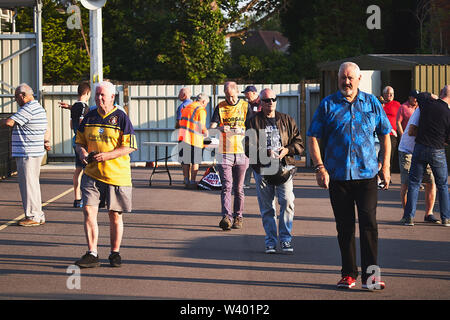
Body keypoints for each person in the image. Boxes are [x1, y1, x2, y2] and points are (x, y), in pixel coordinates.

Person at [307, 62, 391, 290]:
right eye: (343, 78)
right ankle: (348, 274)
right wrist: (320, 167)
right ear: (338, 79)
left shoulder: (372, 103)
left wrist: (386, 166)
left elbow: (385, 134)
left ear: (359, 79)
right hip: (339, 176)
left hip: (367, 175)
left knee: (369, 225)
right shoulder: (327, 105)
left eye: (350, 78)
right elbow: (313, 136)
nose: (347, 82)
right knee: (344, 227)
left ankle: (371, 277)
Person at [74, 81, 137, 268]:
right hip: (92, 173)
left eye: (103, 95)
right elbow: (79, 141)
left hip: (116, 175)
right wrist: (82, 152)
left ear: (112, 97)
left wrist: (108, 155)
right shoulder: (89, 116)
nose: (99, 98)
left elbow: (131, 146)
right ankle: (92, 253)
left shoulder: (121, 117)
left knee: (115, 215)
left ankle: (114, 252)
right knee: (88, 210)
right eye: (97, 94)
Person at [245, 88, 304, 253]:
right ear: (261, 103)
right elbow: (247, 148)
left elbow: (299, 144)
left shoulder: (287, 120)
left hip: (284, 169)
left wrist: (287, 150)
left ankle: (285, 239)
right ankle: (270, 240)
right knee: (267, 207)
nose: (270, 103)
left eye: (272, 99)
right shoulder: (253, 122)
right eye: (266, 100)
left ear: (276, 101)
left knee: (287, 201)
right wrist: (266, 152)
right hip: (262, 169)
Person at [0, 83, 51, 226]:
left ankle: (33, 216)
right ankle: (38, 214)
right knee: (32, 184)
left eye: (16, 96)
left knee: (28, 185)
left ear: (23, 96)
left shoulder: (28, 109)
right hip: (33, 151)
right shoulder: (38, 108)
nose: (16, 100)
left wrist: (2, 121)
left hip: (27, 152)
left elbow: (10, 122)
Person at [402, 86, 450, 227]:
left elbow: (420, 95)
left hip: (420, 147)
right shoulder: (448, 112)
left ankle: (408, 217)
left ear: (440, 94)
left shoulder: (427, 103)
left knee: (414, 183)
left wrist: (433, 95)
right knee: (442, 185)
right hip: (437, 149)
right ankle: (445, 218)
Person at [210, 81, 251, 230]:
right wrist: (221, 127)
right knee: (226, 186)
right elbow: (212, 129)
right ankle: (226, 217)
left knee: (239, 188)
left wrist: (243, 131)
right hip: (224, 152)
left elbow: (254, 128)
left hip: (242, 152)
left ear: (238, 92)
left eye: (232, 96)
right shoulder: (220, 106)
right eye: (227, 96)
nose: (230, 100)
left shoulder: (245, 106)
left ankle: (238, 217)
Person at [398, 108, 439, 224]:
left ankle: (429, 214)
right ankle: (407, 215)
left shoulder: (440, 111)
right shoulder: (421, 111)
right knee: (406, 182)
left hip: (425, 148)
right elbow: (411, 131)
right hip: (408, 150)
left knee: (430, 181)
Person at [178, 93, 209, 189]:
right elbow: (201, 126)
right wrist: (206, 133)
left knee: (185, 161)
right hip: (195, 139)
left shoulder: (186, 107)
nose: (206, 105)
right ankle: (192, 182)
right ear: (203, 101)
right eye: (206, 103)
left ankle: (186, 180)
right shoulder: (201, 110)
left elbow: (180, 122)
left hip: (183, 137)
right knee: (195, 161)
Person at [70, 82, 91, 208]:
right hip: (82, 141)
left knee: (78, 169)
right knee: (86, 170)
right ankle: (85, 198)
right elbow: (82, 123)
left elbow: (72, 125)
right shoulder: (84, 107)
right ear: (87, 93)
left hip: (74, 139)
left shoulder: (73, 107)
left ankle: (77, 198)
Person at [242, 85, 262, 188]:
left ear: (254, 92)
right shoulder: (246, 105)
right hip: (247, 135)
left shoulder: (261, 103)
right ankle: (245, 182)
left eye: (247, 93)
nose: (245, 95)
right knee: (247, 158)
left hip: (259, 135)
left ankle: (265, 182)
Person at [381, 86, 401, 173]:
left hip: (392, 134)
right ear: (384, 94)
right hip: (381, 133)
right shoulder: (380, 104)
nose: (390, 96)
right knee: (380, 154)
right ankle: (380, 175)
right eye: (388, 94)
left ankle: (388, 173)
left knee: (390, 154)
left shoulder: (397, 105)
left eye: (391, 94)